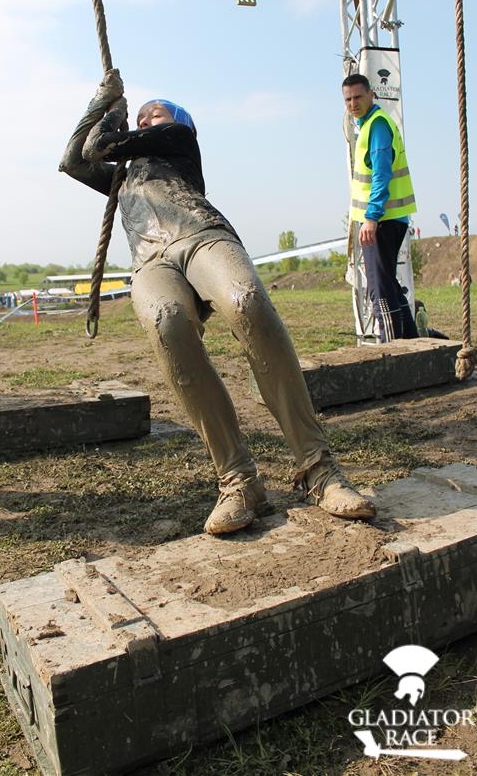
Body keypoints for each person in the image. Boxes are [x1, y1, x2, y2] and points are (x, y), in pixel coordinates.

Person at [60, 70, 376, 536]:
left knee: (247, 302)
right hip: (151, 261)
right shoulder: (122, 178)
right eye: (140, 116)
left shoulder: (179, 141)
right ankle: (239, 482)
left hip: (201, 235)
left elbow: (98, 147)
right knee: (168, 324)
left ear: (177, 121)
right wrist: (99, 104)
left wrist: (113, 121)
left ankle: (319, 470)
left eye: (155, 113)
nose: (146, 118)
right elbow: (73, 160)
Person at [342, 74, 418, 342]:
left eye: (358, 97)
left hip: (382, 221)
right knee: (390, 287)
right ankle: (413, 343)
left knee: (380, 291)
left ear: (371, 95)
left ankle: (393, 349)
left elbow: (381, 175)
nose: (353, 104)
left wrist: (371, 218)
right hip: (389, 219)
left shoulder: (376, 126)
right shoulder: (370, 125)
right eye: (348, 99)